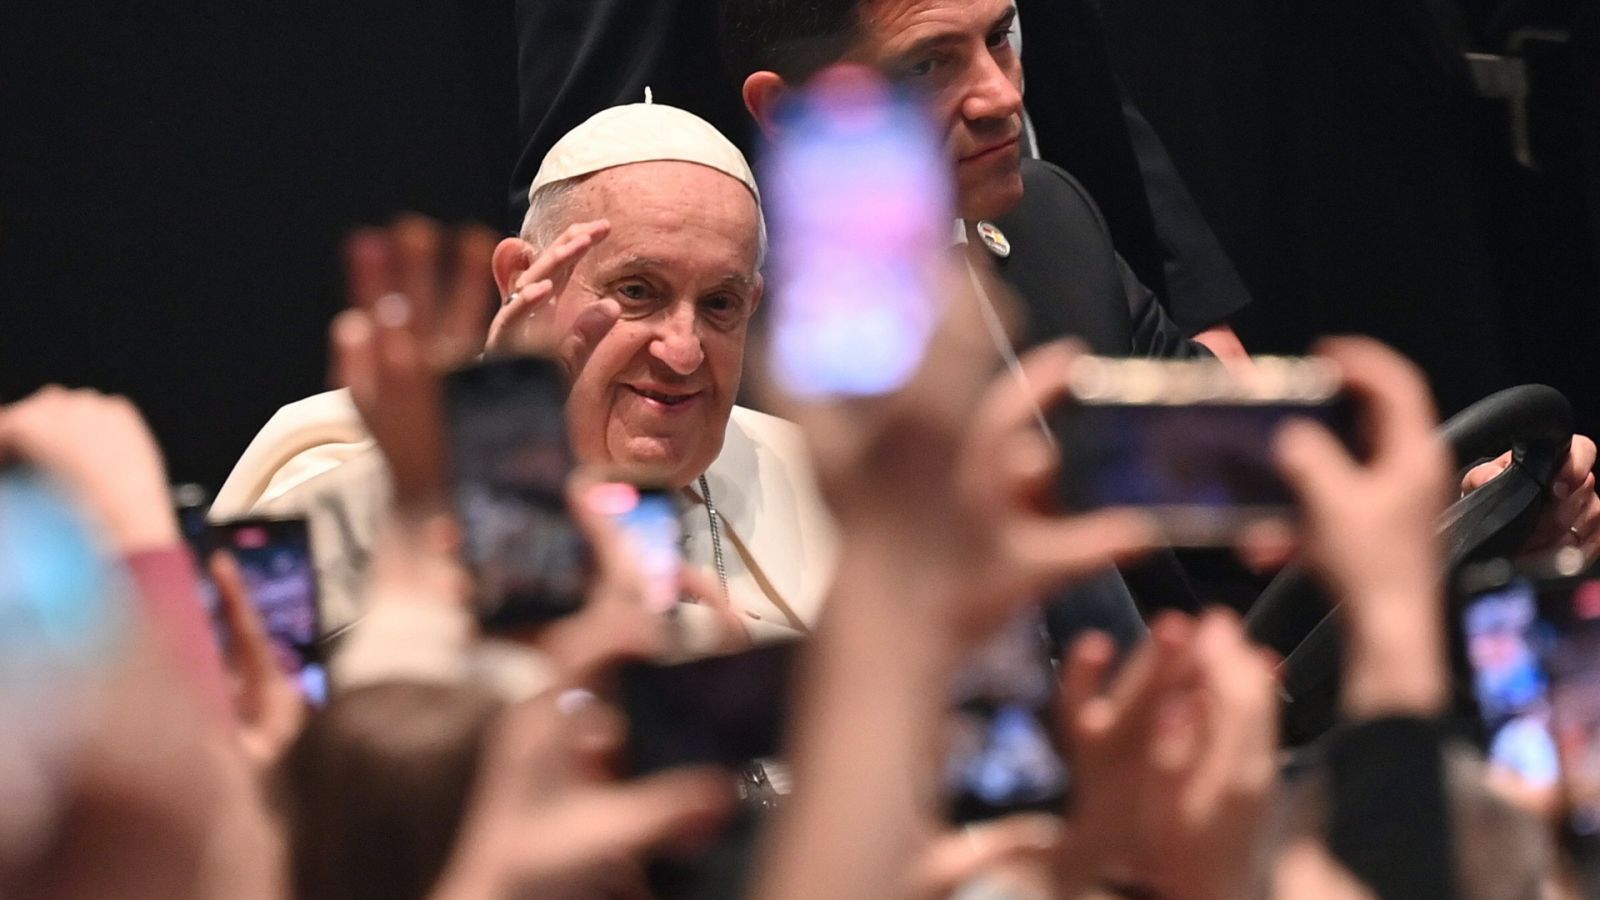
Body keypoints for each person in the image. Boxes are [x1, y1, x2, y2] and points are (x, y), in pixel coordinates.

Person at [212, 102, 838, 647]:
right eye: (638, 290)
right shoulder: (345, 448)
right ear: (521, 280)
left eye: (719, 304)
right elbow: (245, 661)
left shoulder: (819, 476)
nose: (682, 351)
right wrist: (484, 442)